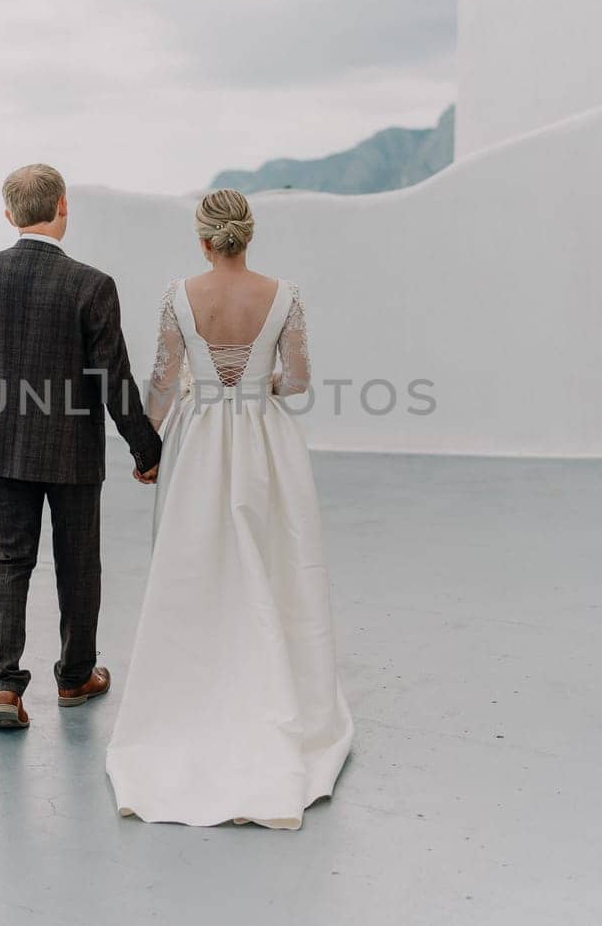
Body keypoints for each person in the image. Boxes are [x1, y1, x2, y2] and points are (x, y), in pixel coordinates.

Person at [105, 188, 353, 829]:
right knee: (271, 562)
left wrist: (147, 446)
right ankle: (272, 696)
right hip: (264, 441)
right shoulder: (285, 293)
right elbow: (296, 381)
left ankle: (193, 694)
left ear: (203, 239)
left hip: (200, 439)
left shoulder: (179, 294)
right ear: (249, 235)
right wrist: (259, 382)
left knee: (194, 563)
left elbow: (161, 381)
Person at [0, 163, 162, 730]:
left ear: (9, 213)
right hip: (71, 451)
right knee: (78, 563)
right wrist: (146, 448)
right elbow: (113, 377)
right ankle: (74, 678)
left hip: (0, 447)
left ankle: (5, 691)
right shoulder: (92, 284)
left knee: (9, 559)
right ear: (63, 206)